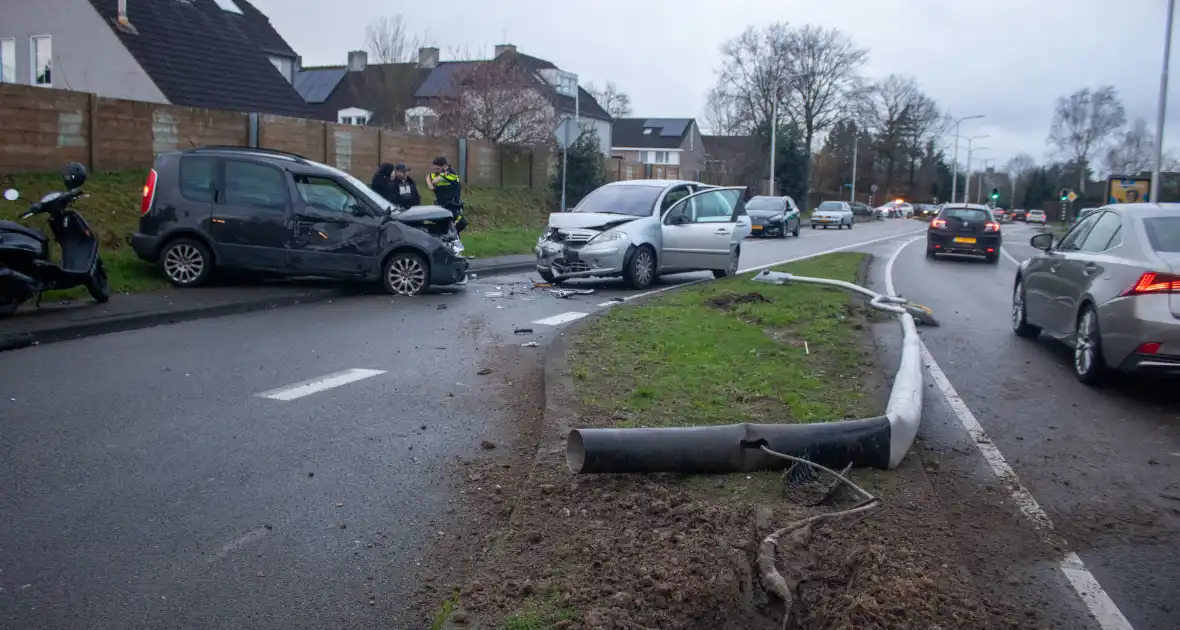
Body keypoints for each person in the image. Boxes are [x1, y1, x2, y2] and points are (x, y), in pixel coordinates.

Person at [426, 156, 466, 233]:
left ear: (444, 166)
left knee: (454, 230)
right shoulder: (438, 174)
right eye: (435, 169)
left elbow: (435, 181)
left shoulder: (452, 173)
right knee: (441, 230)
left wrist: (430, 179)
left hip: (452, 206)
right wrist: (428, 179)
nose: (436, 170)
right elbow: (431, 187)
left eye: (438, 168)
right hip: (440, 206)